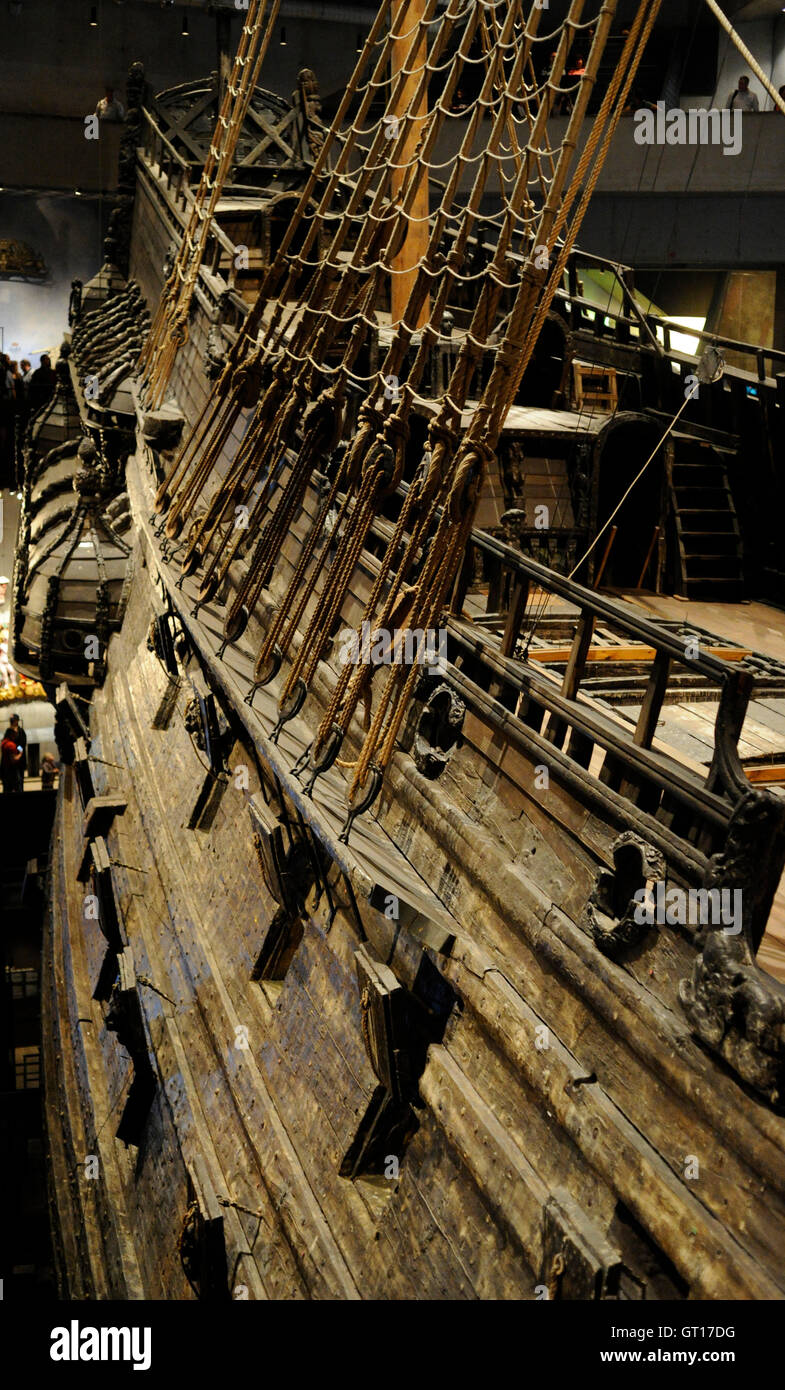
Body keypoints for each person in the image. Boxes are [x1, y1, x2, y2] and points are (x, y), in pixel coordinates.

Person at [3, 712, 27, 789]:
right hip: (10, 759)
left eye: (13, 720)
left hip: (19, 759)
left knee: (19, 780)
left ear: (17, 720)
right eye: (11, 720)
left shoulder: (21, 731)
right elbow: (5, 741)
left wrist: (16, 748)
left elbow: (23, 743)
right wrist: (13, 747)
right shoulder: (8, 730)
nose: (12, 721)